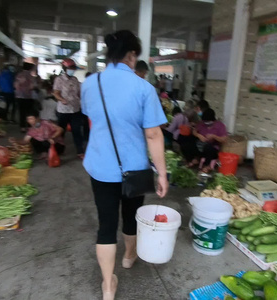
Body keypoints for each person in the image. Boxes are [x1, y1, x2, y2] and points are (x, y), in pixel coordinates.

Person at [81, 30, 168, 300]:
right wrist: (162, 174)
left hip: (100, 166)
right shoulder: (143, 88)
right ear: (132, 55)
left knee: (106, 224)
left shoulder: (89, 83)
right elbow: (153, 134)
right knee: (131, 216)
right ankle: (129, 257)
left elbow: (92, 121)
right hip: (134, 168)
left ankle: (108, 285)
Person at [53, 58, 85, 159]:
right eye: (70, 68)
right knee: (61, 131)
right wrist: (61, 99)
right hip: (63, 110)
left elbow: (79, 93)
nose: (72, 70)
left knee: (77, 131)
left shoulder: (75, 80)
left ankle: (80, 151)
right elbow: (56, 93)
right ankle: (59, 150)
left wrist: (83, 101)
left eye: (73, 68)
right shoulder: (59, 80)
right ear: (65, 68)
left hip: (75, 109)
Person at [181, 108, 227, 172]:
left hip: (212, 148)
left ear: (213, 119)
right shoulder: (201, 123)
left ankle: (207, 165)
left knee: (208, 147)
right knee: (186, 144)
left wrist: (214, 136)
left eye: (208, 121)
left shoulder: (220, 125)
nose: (206, 123)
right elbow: (194, 131)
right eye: (205, 121)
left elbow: (224, 139)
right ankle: (191, 160)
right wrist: (198, 135)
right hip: (200, 146)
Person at [15, 62, 37, 132]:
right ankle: (29, 126)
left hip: (19, 96)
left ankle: (22, 127)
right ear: (30, 68)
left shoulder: (19, 75)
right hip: (28, 97)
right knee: (29, 112)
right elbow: (32, 86)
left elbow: (15, 85)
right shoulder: (31, 76)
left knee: (22, 112)